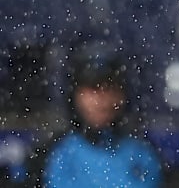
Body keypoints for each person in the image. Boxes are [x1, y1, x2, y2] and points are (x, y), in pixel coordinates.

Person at [21, 42, 163, 187]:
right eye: (93, 88)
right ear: (75, 94)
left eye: (110, 87)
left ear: (123, 95)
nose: (101, 99)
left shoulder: (145, 154)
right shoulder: (49, 154)